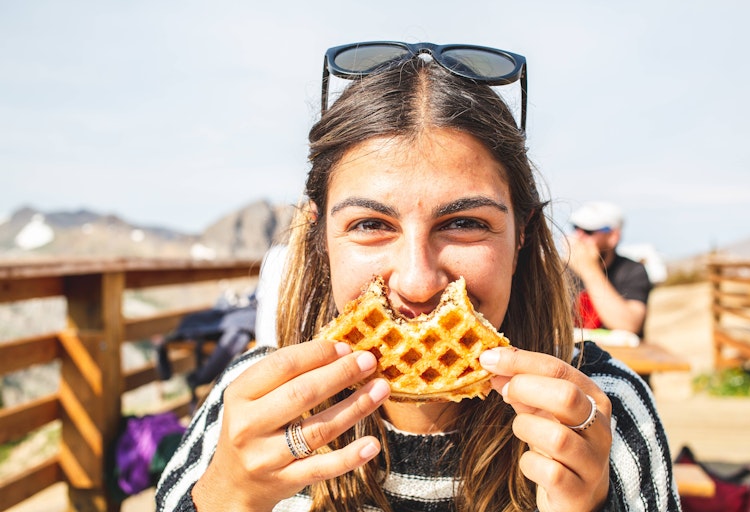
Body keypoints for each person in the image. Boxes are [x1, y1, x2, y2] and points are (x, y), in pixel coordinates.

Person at [156, 41, 680, 511]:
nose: (417, 282)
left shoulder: (598, 408)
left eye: (466, 223)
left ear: (522, 234)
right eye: (369, 224)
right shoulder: (251, 405)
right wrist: (228, 495)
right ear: (319, 236)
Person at [565, 201, 653, 337]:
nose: (578, 237)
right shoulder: (563, 271)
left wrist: (589, 270)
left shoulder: (632, 271)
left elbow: (628, 325)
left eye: (588, 231)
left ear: (613, 236)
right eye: (576, 228)